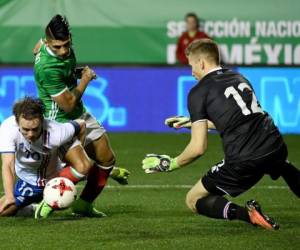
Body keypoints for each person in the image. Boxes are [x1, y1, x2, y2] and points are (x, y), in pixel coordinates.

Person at [142, 39, 300, 230]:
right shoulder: (238, 77)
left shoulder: (198, 92)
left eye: (192, 65)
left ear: (201, 63)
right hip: (274, 144)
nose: (191, 72)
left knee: (193, 199)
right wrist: (192, 122)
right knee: (281, 164)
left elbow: (198, 148)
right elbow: (237, 119)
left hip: (244, 158)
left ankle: (248, 215)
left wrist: (170, 164)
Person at [33, 15, 130, 217]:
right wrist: (85, 79)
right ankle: (45, 199)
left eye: (67, 44)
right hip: (59, 120)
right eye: (58, 47)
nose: (64, 51)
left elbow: (39, 49)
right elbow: (67, 105)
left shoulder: (49, 42)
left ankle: (83, 205)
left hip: (80, 113)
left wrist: (76, 73)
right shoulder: (47, 68)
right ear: (49, 41)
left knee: (107, 158)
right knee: (82, 167)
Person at [0, 97, 87, 217]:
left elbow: (81, 125)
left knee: (84, 166)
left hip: (54, 179)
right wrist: (10, 196)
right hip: (28, 180)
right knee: (3, 211)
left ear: (42, 120)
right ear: (17, 122)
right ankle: (33, 208)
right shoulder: (7, 129)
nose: (30, 134)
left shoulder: (56, 132)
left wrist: (71, 160)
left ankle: (52, 198)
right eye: (25, 129)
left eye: (35, 129)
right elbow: (8, 165)